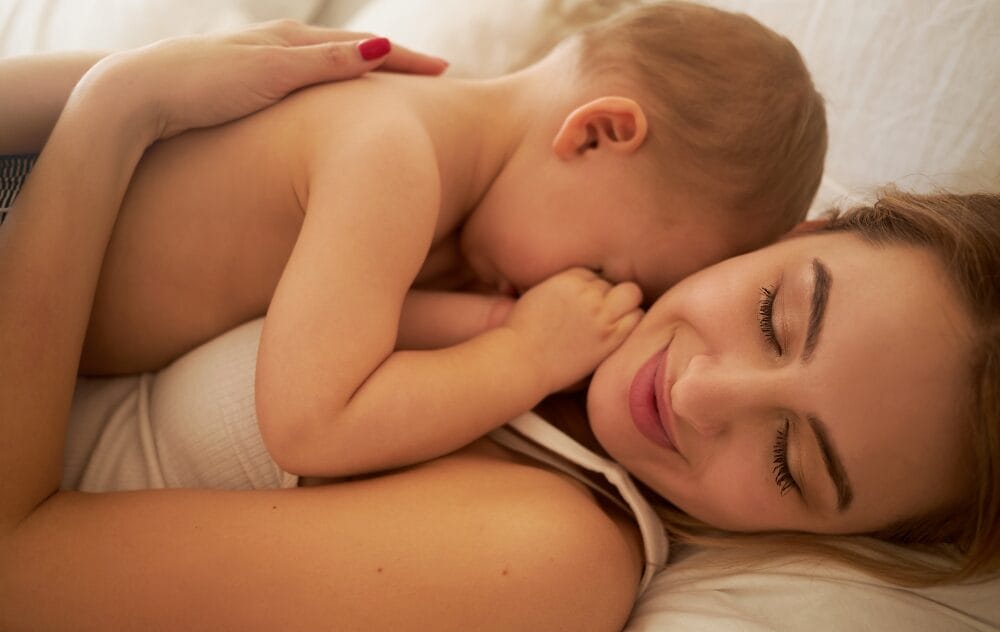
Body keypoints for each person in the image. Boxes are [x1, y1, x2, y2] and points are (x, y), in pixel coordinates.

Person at [0, 21, 997, 632]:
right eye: (778, 313)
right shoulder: (506, 226)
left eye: (788, 459)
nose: (700, 394)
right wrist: (126, 100)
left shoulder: (549, 553)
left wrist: (116, 111)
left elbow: (16, 572)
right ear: (795, 233)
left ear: (842, 538)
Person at [69, 2, 826, 480]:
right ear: (595, 134)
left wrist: (500, 323)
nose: (574, 289)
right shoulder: (393, 159)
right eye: (606, 268)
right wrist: (521, 355)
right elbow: (309, 424)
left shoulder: (443, 175)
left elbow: (345, 319)